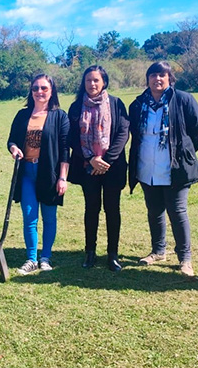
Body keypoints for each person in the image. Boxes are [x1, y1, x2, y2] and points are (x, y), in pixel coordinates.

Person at [128, 61, 198, 277]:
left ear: (170, 78)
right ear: (148, 79)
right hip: (147, 167)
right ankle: (158, 251)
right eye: (153, 75)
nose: (158, 79)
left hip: (175, 168)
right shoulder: (138, 104)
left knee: (177, 212)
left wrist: (185, 150)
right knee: (154, 211)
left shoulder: (182, 99)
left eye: (162, 75)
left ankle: (185, 258)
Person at [67, 66, 129, 272]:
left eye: (96, 80)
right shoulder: (76, 107)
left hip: (112, 167)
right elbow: (72, 138)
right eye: (88, 80)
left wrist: (106, 161)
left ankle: (112, 255)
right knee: (91, 209)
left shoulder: (116, 104)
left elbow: (123, 133)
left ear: (104, 82)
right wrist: (91, 158)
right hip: (87, 167)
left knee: (112, 210)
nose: (92, 84)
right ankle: (90, 252)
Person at [7, 74, 70, 275]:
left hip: (49, 173)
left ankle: (46, 257)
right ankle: (32, 258)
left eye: (44, 88)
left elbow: (65, 150)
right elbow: (11, 140)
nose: (39, 92)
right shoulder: (22, 115)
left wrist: (62, 177)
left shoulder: (60, 116)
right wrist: (14, 148)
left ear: (52, 91)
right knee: (29, 217)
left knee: (49, 217)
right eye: (35, 88)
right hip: (27, 172)